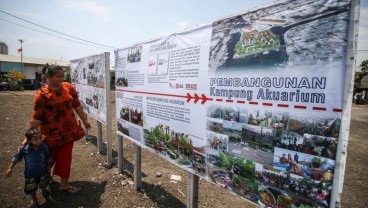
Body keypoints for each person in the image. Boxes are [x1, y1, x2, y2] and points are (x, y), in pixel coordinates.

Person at [26, 64, 91, 193]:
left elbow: (76, 105)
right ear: (48, 77)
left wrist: (84, 120)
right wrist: (28, 136)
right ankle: (47, 177)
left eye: (63, 76)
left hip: (69, 131)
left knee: (66, 158)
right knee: (49, 158)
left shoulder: (68, 87)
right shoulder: (42, 95)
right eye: (58, 76)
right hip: (50, 134)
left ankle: (64, 184)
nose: (61, 79)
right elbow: (37, 117)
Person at [6, 128, 51, 208]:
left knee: (43, 184)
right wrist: (10, 168)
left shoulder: (44, 146)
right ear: (29, 141)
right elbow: (16, 157)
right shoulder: (24, 149)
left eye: (40, 138)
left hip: (42, 172)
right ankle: (34, 201)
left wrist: (48, 167)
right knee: (31, 188)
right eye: (36, 139)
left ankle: (44, 191)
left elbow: (48, 157)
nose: (39, 140)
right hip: (30, 174)